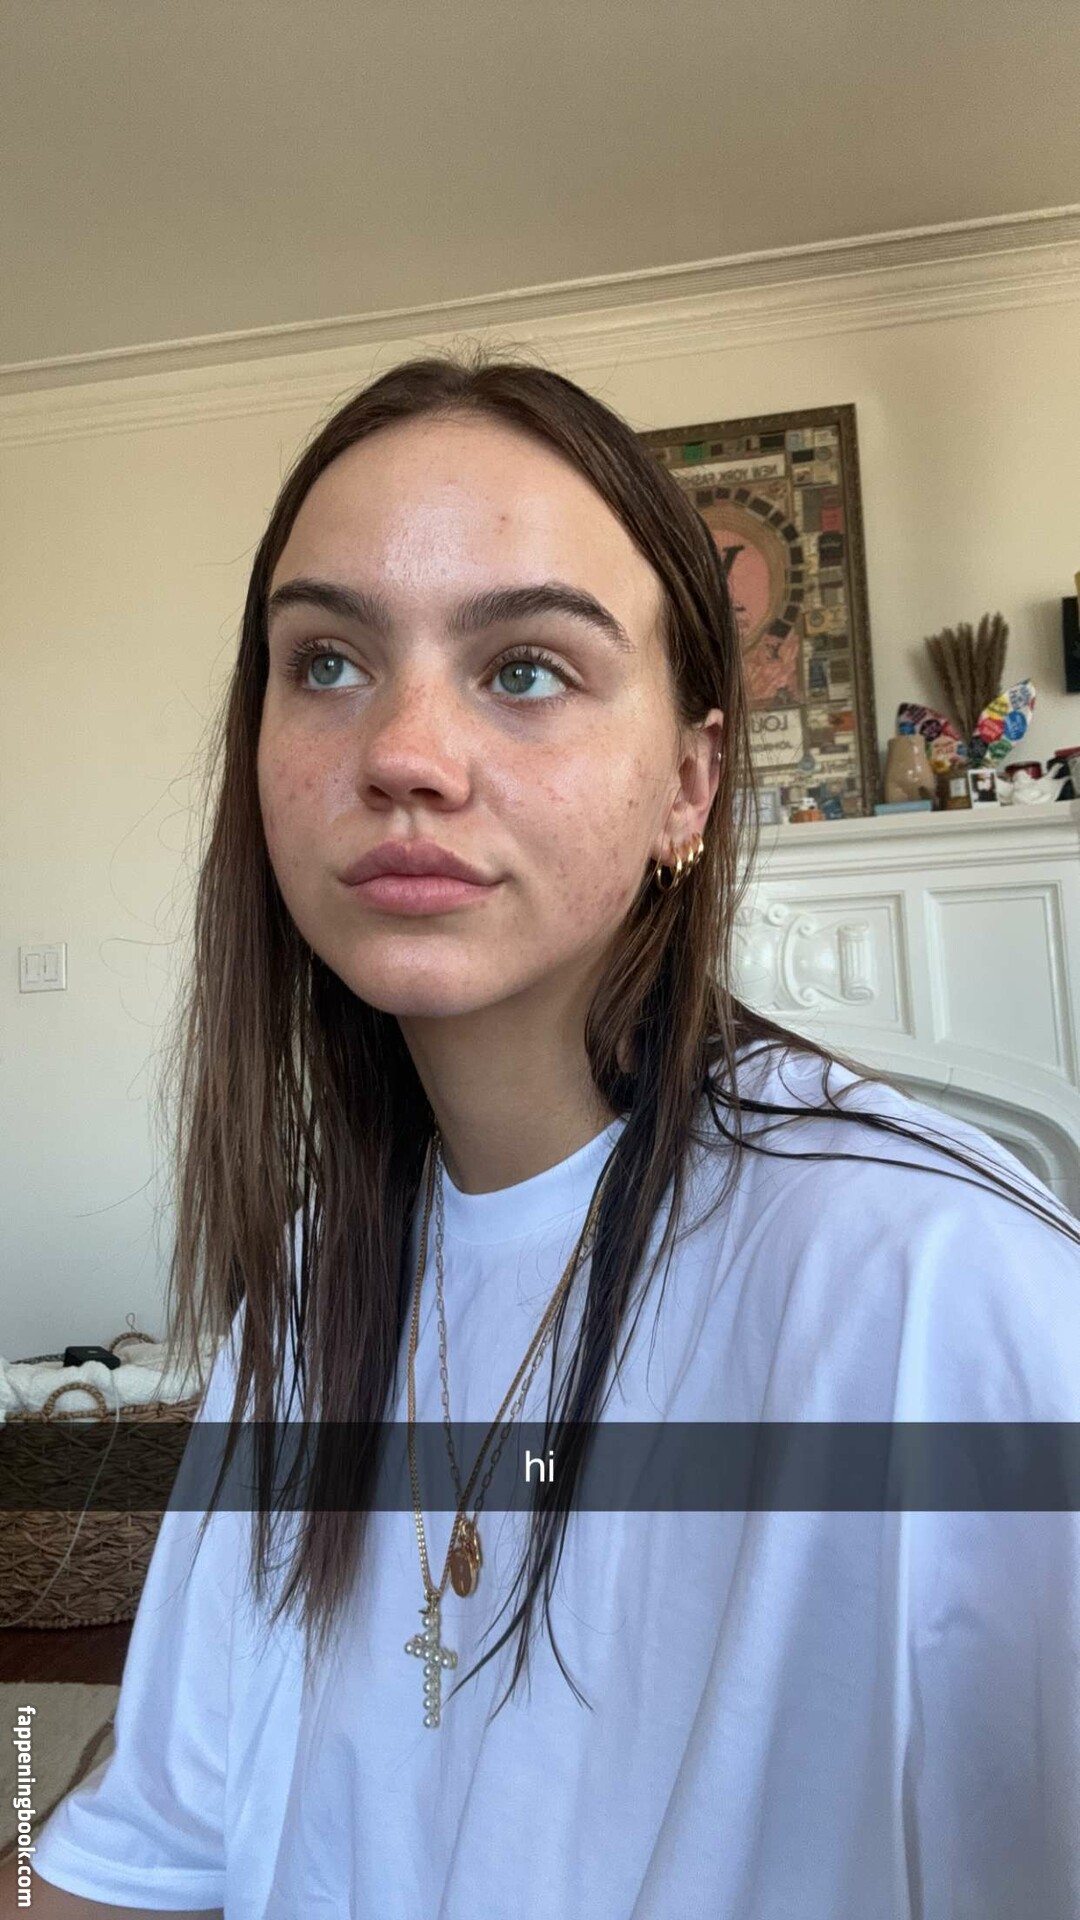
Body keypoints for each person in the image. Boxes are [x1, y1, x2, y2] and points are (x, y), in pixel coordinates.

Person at [12, 345, 1080, 1920]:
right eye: (327, 662)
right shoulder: (305, 1294)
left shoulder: (944, 1290)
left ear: (689, 786)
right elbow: (150, 1845)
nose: (402, 754)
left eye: (524, 669)